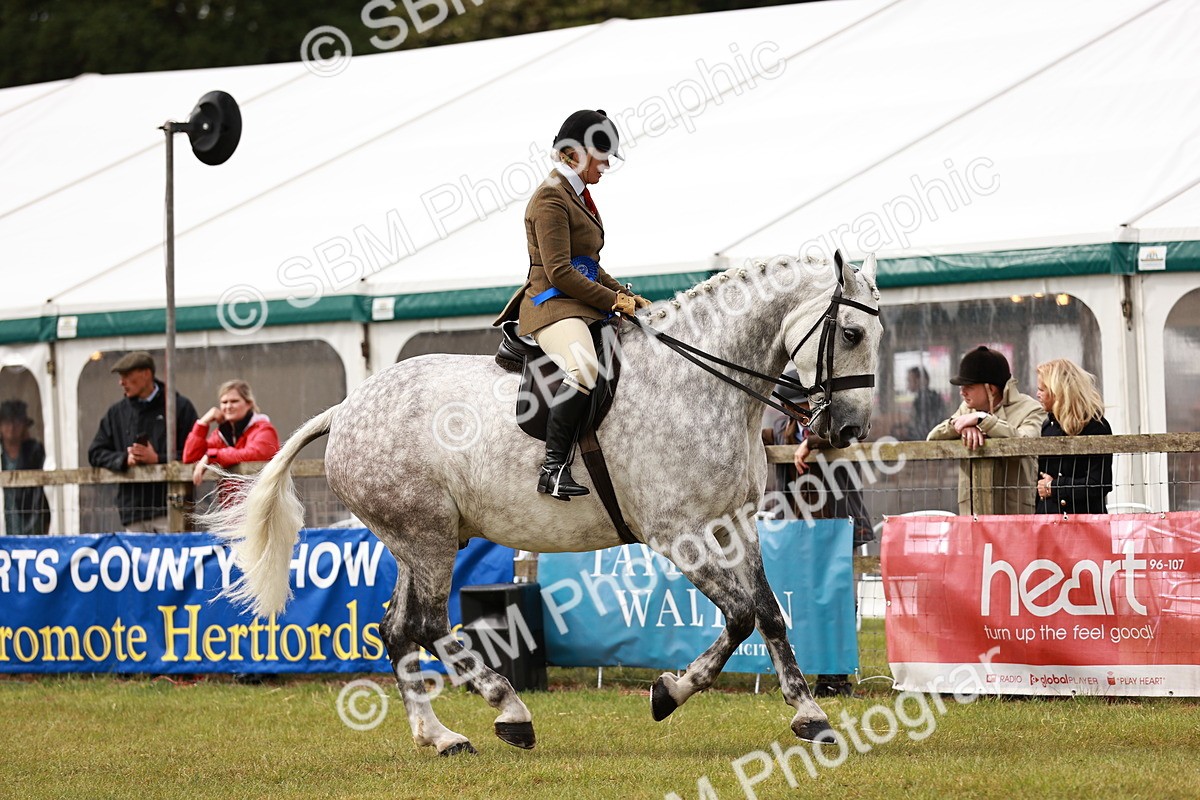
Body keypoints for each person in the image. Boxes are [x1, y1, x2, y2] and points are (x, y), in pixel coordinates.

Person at [493, 109, 650, 500]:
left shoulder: (578, 195)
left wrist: (626, 297)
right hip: (552, 305)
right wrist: (613, 300)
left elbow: (589, 265)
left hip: (578, 302)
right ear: (575, 155)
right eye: (602, 156)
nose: (608, 164)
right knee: (584, 367)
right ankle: (553, 468)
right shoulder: (550, 198)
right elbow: (561, 272)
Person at [761, 372, 872, 698]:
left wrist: (811, 442)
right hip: (801, 532)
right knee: (807, 600)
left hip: (838, 526)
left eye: (796, 406)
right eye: (788, 408)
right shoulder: (782, 429)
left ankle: (836, 677)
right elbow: (758, 435)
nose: (793, 413)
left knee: (839, 600)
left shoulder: (835, 424)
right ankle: (808, 669)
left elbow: (848, 434)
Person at [87, 351, 199, 533]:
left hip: (171, 508)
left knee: (169, 560)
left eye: (127, 376)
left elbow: (196, 454)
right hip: (133, 511)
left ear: (147, 374)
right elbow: (95, 453)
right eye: (121, 377)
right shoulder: (116, 413)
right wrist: (125, 459)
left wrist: (158, 459)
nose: (121, 382)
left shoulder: (179, 407)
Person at [927, 346, 1046, 515]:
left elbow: (1026, 442)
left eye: (968, 386)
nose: (962, 392)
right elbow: (932, 439)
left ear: (991, 389)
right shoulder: (967, 409)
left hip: (1015, 514)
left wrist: (983, 420)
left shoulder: (1031, 409)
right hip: (974, 515)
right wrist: (962, 427)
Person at [183, 379, 280, 504]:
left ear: (249, 403)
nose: (228, 406)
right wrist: (203, 423)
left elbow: (256, 454)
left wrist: (212, 456)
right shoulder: (221, 434)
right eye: (224, 402)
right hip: (229, 512)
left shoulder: (264, 429)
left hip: (262, 506)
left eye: (234, 401)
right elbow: (190, 456)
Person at [1035, 359, 1113, 514]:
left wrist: (1055, 488)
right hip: (1049, 522)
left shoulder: (1096, 426)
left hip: (1085, 522)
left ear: (1058, 392)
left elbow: (1099, 483)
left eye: (1042, 390)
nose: (1037, 394)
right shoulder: (1047, 427)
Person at [0, 400, 51, 535]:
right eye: (6, 422)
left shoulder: (34, 451)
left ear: (23, 426)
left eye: (16, 423)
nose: (11, 428)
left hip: (32, 520)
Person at [904, 365, 946, 440]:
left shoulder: (928, 400)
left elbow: (925, 427)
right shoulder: (924, 398)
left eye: (910, 381)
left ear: (920, 380)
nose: (908, 385)